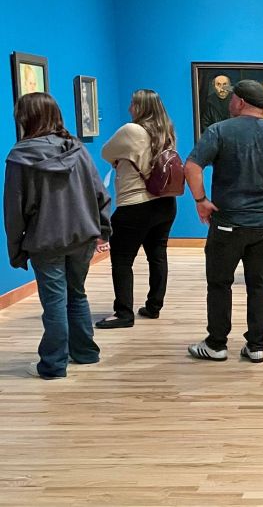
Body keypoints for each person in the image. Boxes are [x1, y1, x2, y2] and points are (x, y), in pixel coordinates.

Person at [185, 80, 263, 363]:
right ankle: (256, 345)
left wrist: (201, 201)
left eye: (232, 98)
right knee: (259, 284)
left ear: (239, 102)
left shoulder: (219, 130)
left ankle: (216, 344)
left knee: (219, 284)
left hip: (228, 222)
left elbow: (192, 166)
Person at [4, 92, 111, 379]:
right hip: (82, 236)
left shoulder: (20, 156)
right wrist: (103, 230)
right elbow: (99, 192)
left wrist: (15, 250)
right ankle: (85, 353)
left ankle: (53, 365)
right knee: (76, 295)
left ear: (25, 117)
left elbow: (14, 209)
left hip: (45, 239)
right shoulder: (77, 149)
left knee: (54, 303)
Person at [94, 89, 179, 329]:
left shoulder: (131, 130)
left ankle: (123, 313)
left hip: (135, 204)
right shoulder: (167, 131)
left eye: (133, 104)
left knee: (121, 260)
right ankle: (153, 306)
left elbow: (105, 152)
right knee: (157, 254)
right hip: (165, 202)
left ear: (141, 107)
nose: (130, 108)